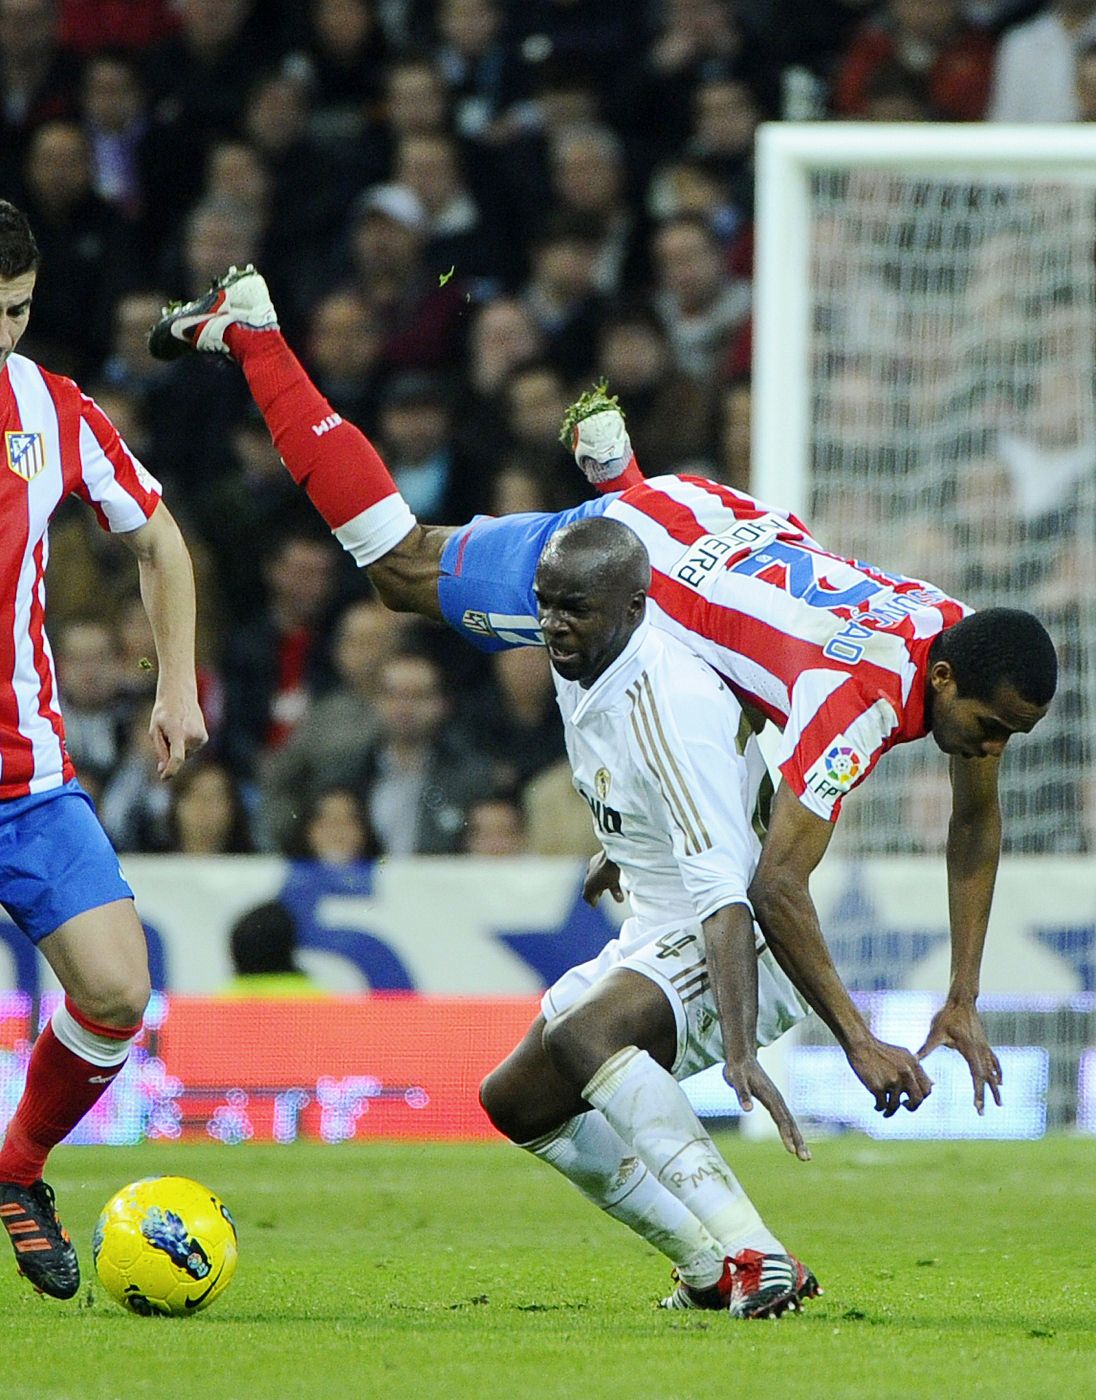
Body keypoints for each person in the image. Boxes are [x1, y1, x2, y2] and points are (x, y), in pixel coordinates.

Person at [148, 264, 1058, 1123]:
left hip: (714, 518)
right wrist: (858, 1039)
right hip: (640, 562)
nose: (989, 748)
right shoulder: (861, 700)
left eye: (1005, 734)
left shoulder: (958, 632)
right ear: (944, 679)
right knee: (398, 568)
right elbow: (778, 886)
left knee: (747, 683)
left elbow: (969, 820)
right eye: (986, 728)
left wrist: (963, 998)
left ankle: (621, 467)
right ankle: (256, 333)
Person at [480, 515, 817, 1317]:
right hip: (661, 924)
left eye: (575, 609)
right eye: (545, 604)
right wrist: (622, 844)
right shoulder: (588, 657)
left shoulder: (669, 702)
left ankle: (760, 1256)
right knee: (516, 1098)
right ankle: (704, 1267)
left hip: (740, 938)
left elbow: (725, 891)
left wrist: (739, 1050)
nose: (554, 625)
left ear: (634, 606)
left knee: (583, 1035)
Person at [0, 199, 207, 1300]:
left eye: (18, 311)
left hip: (25, 783)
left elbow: (157, 538)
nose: (3, 334)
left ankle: (18, 1170)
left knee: (120, 991)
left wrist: (175, 680)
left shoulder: (53, 407)